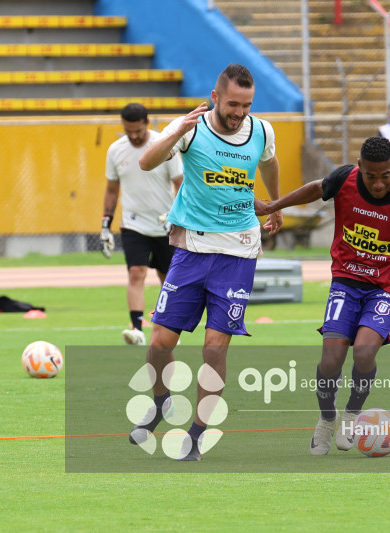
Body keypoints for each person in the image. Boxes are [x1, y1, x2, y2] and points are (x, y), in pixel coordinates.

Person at [258, 136, 390, 455]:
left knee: (363, 353)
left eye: (385, 175)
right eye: (370, 176)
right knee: (331, 360)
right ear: (359, 167)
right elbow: (315, 188)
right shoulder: (344, 178)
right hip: (346, 281)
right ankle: (326, 419)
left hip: (388, 287)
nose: (377, 184)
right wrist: (273, 206)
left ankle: (351, 414)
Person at [130, 63, 283, 461]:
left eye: (247, 105)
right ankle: (161, 400)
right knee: (161, 345)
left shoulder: (262, 130)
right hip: (191, 250)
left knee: (215, 350)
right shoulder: (190, 127)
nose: (239, 112)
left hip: (238, 253)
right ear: (215, 97)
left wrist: (277, 203)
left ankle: (197, 434)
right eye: (233, 104)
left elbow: (269, 161)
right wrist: (178, 133)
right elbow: (147, 162)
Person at [100, 103, 184, 346]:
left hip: (165, 222)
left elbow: (179, 183)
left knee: (167, 277)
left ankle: (168, 329)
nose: (134, 136)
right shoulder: (115, 150)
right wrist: (106, 222)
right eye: (129, 131)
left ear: (147, 123)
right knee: (136, 272)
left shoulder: (164, 144)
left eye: (137, 130)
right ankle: (136, 329)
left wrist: (179, 217)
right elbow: (112, 189)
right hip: (133, 223)